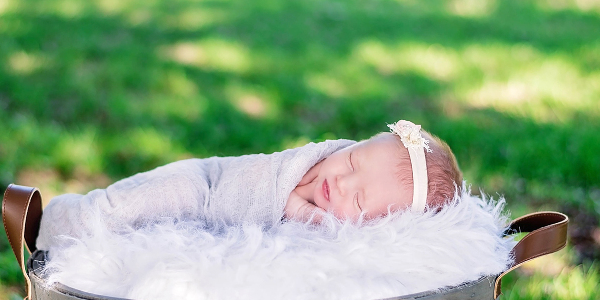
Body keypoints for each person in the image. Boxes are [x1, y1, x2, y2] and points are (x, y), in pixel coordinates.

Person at [35, 120, 462, 252]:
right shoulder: (316, 165)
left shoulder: (340, 230)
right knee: (124, 208)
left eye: (359, 196)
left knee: (141, 239)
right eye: (352, 159)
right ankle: (57, 224)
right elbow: (275, 185)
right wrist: (295, 205)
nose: (339, 179)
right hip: (202, 185)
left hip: (208, 217)